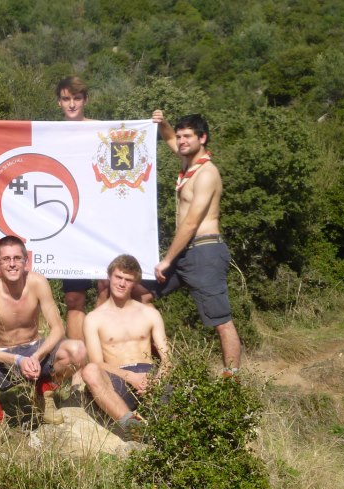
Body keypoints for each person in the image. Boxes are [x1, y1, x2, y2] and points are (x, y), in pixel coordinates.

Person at [55, 76, 153, 342]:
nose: (72, 104)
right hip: (69, 229)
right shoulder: (50, 133)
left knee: (104, 290)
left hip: (102, 226)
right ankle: (77, 364)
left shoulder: (102, 131)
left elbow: (134, 142)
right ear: (59, 102)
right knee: (74, 299)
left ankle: (101, 360)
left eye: (77, 98)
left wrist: (154, 125)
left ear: (85, 100)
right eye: (66, 99)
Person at [0, 235, 87, 437]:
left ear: (25, 260)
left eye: (17, 258)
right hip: (3, 358)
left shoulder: (37, 282)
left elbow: (57, 329)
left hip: (35, 349)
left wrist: (36, 356)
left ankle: (44, 392)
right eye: (6, 259)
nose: (12, 264)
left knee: (78, 350)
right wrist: (18, 360)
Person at [152, 112, 242, 376]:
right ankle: (158, 364)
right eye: (179, 136)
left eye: (187, 136)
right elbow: (168, 137)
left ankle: (231, 386)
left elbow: (191, 223)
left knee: (221, 321)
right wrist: (163, 123)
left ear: (202, 138)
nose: (180, 140)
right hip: (184, 253)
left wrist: (167, 260)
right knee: (140, 294)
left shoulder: (206, 173)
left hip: (204, 251)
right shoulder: (187, 161)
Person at [81, 254, 170, 435]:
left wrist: (157, 381)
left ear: (135, 283)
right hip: (117, 378)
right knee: (89, 370)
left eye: (128, 280)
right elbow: (97, 363)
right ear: (109, 276)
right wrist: (130, 377)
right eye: (118, 277)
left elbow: (167, 358)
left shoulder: (150, 314)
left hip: (150, 376)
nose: (122, 283)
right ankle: (133, 428)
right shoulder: (94, 318)